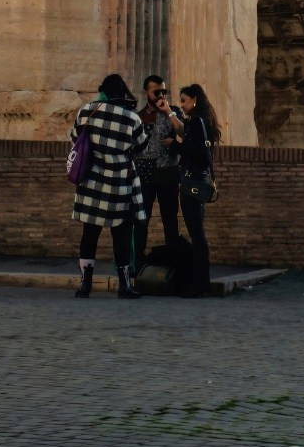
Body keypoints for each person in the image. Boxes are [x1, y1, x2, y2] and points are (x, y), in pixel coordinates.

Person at [70, 71, 147, 297]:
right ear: (122, 92)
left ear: (102, 91)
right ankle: (124, 285)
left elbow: (75, 138)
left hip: (91, 181)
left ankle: (85, 284)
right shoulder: (131, 118)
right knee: (121, 236)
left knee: (89, 234)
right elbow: (141, 147)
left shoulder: (86, 111)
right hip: (119, 182)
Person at [170, 83, 219, 296]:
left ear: (194, 100)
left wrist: (174, 144)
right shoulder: (204, 121)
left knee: (197, 235)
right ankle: (201, 283)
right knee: (198, 234)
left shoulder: (197, 121)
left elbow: (196, 152)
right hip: (198, 182)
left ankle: (200, 284)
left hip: (192, 183)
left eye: (184, 100)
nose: (182, 105)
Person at [137, 76, 183, 274]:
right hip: (145, 171)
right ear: (147, 92)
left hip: (168, 171)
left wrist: (168, 111)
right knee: (141, 219)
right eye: (156, 92)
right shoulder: (138, 116)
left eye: (163, 91)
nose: (161, 95)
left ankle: (174, 264)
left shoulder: (173, 112)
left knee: (170, 219)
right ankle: (137, 262)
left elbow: (183, 130)